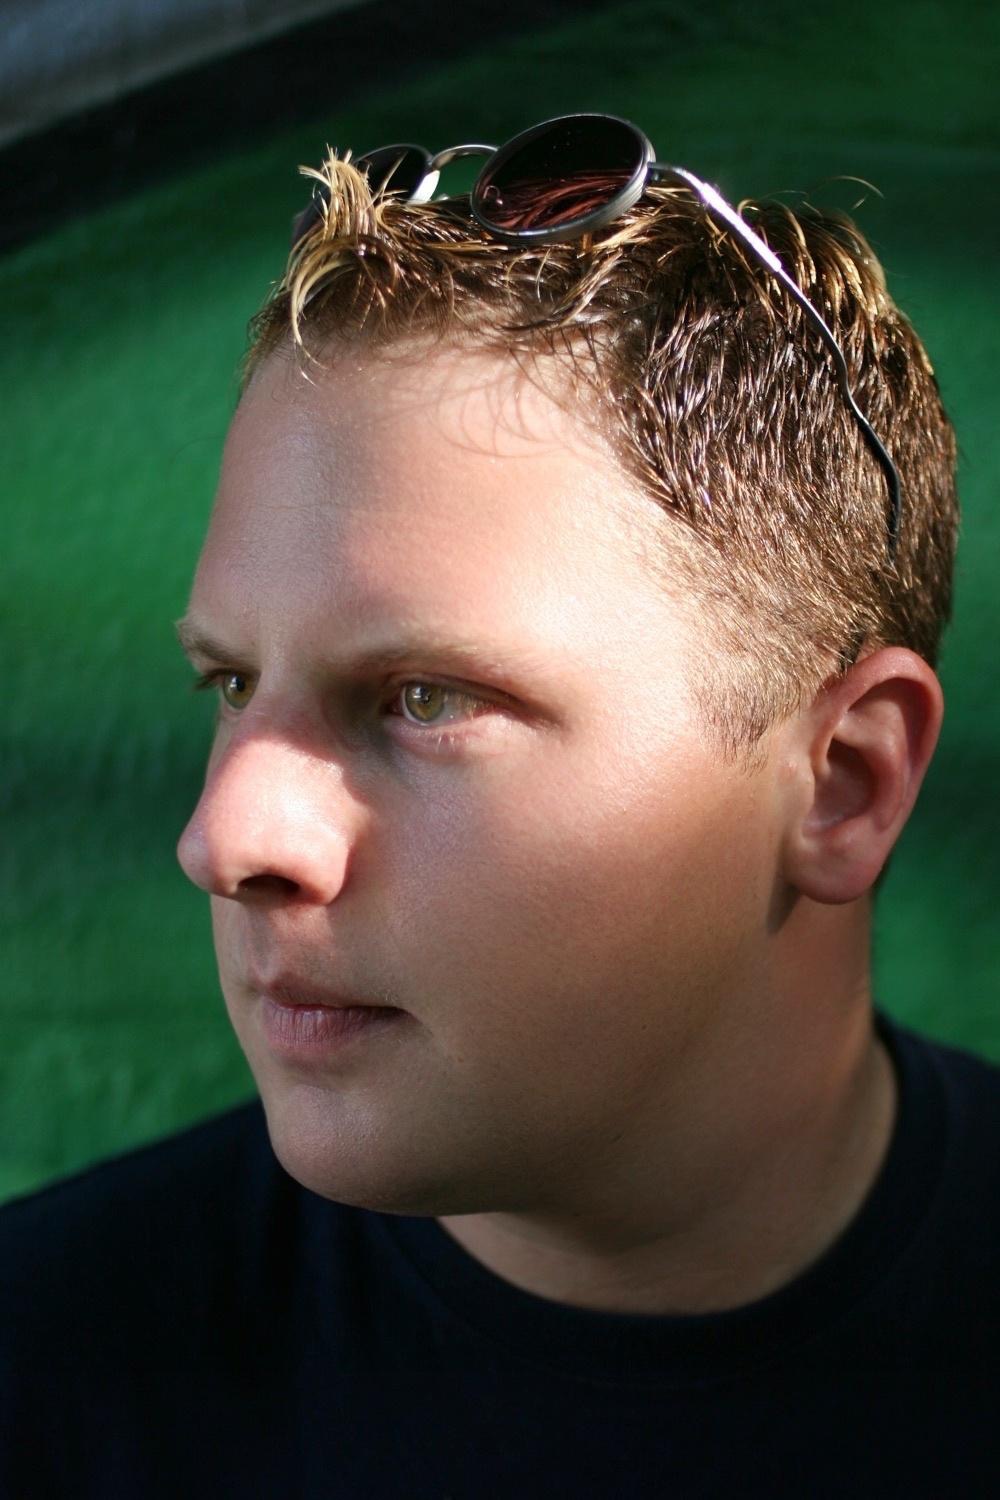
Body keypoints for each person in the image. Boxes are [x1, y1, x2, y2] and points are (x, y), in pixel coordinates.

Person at [2, 114, 997, 1497]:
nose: (227, 836)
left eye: (424, 698)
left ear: (843, 782)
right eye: (230, 684)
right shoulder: (41, 1379)